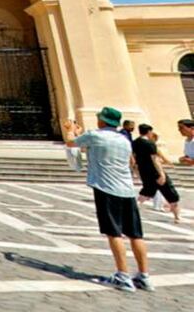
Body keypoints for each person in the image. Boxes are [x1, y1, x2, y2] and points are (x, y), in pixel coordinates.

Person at [62, 107, 151, 292]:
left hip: (106, 189)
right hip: (127, 190)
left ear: (102, 121)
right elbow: (128, 161)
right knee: (135, 234)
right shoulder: (124, 139)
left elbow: (71, 143)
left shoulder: (95, 135)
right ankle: (144, 276)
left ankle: (122, 276)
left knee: (114, 233)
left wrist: (70, 129)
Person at [133, 124, 181, 224]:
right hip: (155, 172)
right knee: (171, 194)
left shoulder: (135, 143)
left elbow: (133, 158)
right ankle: (177, 217)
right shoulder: (150, 144)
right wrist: (161, 174)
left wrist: (137, 171)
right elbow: (154, 160)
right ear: (149, 132)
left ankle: (131, 211)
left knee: (145, 193)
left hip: (144, 172)